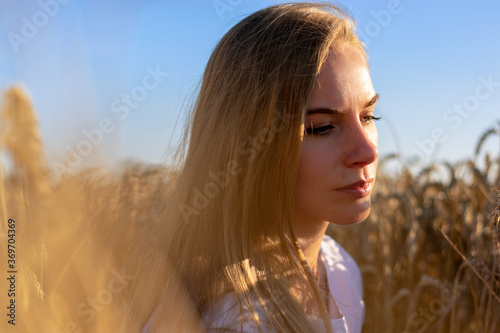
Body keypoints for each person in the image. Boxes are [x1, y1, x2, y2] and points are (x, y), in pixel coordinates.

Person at [133, 2, 379, 333]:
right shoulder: (231, 320)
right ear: (249, 143)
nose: (367, 150)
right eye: (321, 127)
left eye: (367, 116)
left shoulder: (341, 271)